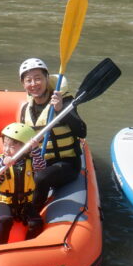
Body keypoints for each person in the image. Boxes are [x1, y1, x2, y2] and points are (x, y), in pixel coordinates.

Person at [18, 58, 86, 222]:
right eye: (29, 80)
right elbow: (22, 140)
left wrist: (61, 109)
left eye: (38, 78)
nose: (34, 83)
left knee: (41, 178)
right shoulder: (26, 108)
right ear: (23, 84)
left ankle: (33, 218)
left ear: (47, 79)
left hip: (66, 163)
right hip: (42, 161)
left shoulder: (65, 101)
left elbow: (82, 131)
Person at [0, 122, 46, 245]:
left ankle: (26, 245)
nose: (6, 149)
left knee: (37, 223)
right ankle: (0, 247)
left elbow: (41, 167)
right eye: (5, 145)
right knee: (5, 220)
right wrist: (2, 164)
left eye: (12, 146)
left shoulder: (30, 160)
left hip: (25, 203)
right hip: (4, 202)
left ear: (24, 148)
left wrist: (35, 149)